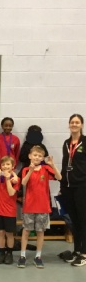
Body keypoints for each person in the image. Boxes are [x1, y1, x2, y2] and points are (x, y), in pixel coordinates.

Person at [18, 145, 62, 269]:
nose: (37, 157)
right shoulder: (26, 169)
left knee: (40, 232)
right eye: (35, 155)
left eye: (40, 156)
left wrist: (53, 165)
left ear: (43, 158)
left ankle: (38, 256)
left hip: (43, 207)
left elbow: (59, 177)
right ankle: (22, 256)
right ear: (30, 156)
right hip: (29, 207)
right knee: (26, 231)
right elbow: (23, 183)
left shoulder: (46, 169)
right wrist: (31, 170)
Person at [60, 114, 86, 267]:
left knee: (83, 219)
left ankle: (84, 253)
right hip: (68, 187)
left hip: (82, 186)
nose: (74, 124)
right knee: (73, 220)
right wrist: (62, 185)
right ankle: (77, 250)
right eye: (72, 122)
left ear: (81, 125)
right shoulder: (66, 143)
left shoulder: (85, 142)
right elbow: (65, 164)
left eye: (77, 122)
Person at [0, 156, 19, 265]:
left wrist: (9, 178)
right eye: (3, 164)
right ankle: (2, 252)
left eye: (8, 164)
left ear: (13, 166)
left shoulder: (15, 179)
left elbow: (11, 192)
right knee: (0, 232)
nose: (5, 166)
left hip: (9, 211)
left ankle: (9, 253)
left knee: (9, 233)